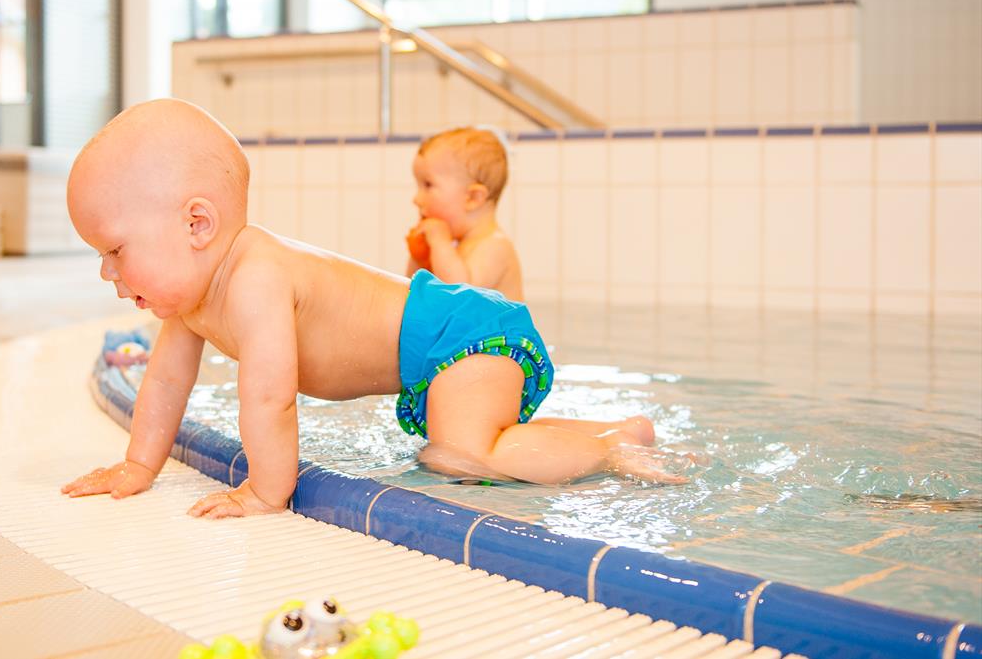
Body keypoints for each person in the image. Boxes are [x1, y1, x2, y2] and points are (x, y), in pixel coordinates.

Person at [60, 99, 685, 519]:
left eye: (115, 250)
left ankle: (608, 450)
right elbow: (165, 383)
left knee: (463, 454)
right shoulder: (191, 303)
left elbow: (270, 399)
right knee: (466, 444)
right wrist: (138, 465)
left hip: (463, 336)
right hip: (446, 338)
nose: (106, 271)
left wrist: (266, 492)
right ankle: (612, 431)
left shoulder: (255, 277)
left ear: (197, 224)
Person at [405, 127, 523, 301]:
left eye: (428, 185)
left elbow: (460, 298)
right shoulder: (452, 249)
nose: (416, 199)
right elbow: (414, 296)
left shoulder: (495, 246)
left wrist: (439, 242)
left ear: (472, 198)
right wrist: (419, 259)